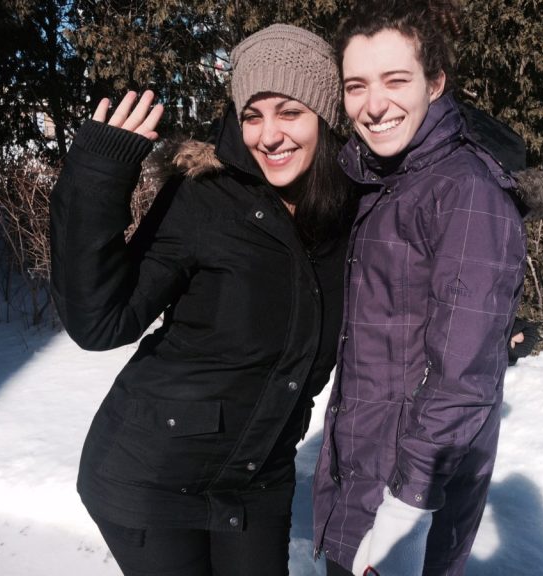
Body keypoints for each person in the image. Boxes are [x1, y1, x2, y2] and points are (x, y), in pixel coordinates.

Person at [49, 24, 353, 576]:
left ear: (326, 119)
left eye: (290, 112)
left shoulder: (349, 215)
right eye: (252, 115)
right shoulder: (204, 197)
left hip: (256, 478)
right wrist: (96, 178)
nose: (268, 135)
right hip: (149, 475)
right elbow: (100, 321)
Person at [312, 2, 543, 575]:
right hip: (369, 465)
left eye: (396, 80)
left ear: (436, 82)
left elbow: (463, 377)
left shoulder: (463, 190)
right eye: (356, 86)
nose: (374, 105)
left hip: (407, 495)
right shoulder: (382, 178)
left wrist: (407, 508)